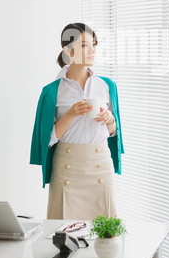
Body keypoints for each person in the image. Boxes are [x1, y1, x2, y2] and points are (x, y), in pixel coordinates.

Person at [30, 22, 124, 220]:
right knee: (64, 236)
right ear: (68, 50)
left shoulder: (107, 85)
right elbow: (46, 140)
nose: (92, 50)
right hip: (67, 169)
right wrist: (71, 114)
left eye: (94, 44)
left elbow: (113, 132)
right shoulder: (52, 91)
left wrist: (110, 119)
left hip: (100, 164)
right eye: (84, 45)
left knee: (106, 235)